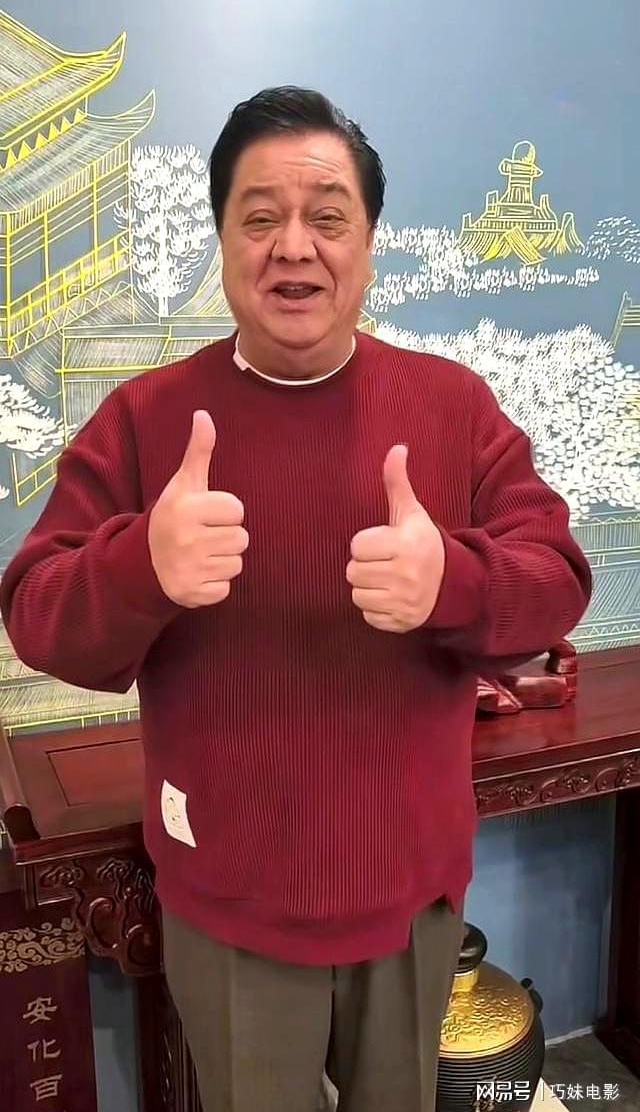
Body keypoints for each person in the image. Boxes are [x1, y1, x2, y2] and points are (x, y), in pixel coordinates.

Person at [0, 86, 592, 1112]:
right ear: (224, 238)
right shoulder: (145, 417)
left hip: (409, 889)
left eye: (326, 216)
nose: (293, 247)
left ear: (368, 243)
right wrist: (143, 568)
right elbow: (36, 611)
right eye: (260, 216)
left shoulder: (451, 405)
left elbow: (557, 581)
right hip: (225, 895)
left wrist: (451, 581)